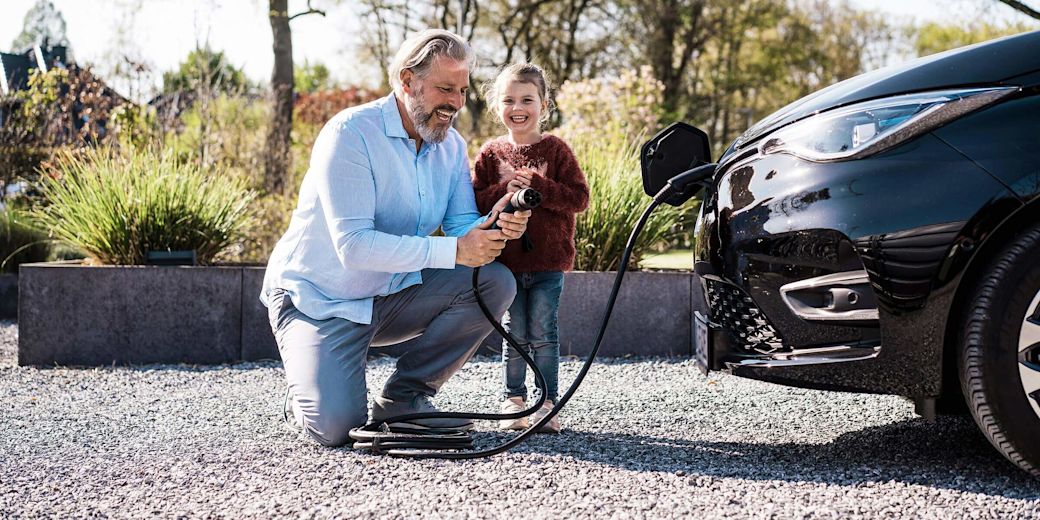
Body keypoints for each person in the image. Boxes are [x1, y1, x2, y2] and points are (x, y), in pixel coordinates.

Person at [260, 29, 531, 447]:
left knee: (495, 281)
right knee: (335, 429)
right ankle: (305, 388)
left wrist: (494, 226)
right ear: (408, 82)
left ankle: (404, 399)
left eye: (461, 91)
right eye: (445, 89)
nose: (456, 103)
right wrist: (457, 249)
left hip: (390, 294)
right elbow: (352, 246)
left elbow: (460, 225)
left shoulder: (451, 147)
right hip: (319, 300)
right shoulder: (350, 134)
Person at [471, 63, 589, 433]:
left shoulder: (555, 150)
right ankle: (514, 399)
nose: (517, 107)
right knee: (514, 330)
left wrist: (539, 185)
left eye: (527, 99)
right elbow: (475, 201)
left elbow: (578, 198)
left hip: (548, 262)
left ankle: (547, 400)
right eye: (508, 99)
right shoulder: (490, 154)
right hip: (505, 263)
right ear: (496, 106)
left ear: (544, 105)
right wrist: (503, 192)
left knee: (543, 331)